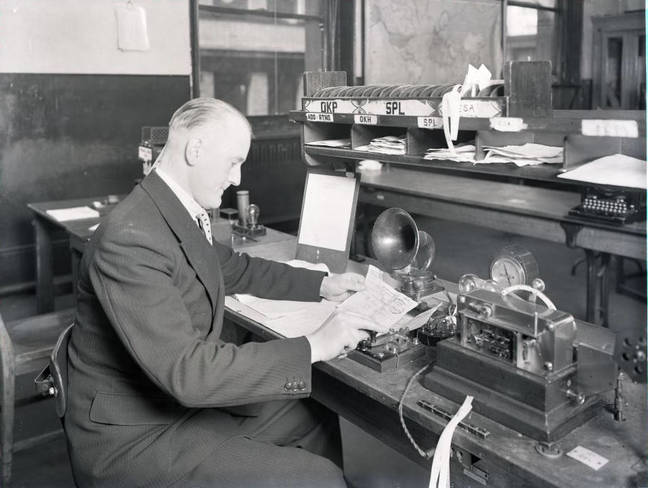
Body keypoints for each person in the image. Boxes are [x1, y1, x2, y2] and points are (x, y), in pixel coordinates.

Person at [66, 98, 388, 488]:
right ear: (195, 149)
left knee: (311, 413)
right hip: (135, 437)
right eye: (233, 162)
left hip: (171, 404)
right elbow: (188, 373)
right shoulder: (130, 238)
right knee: (319, 479)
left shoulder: (171, 210)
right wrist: (315, 345)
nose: (237, 178)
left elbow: (234, 268)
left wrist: (322, 284)